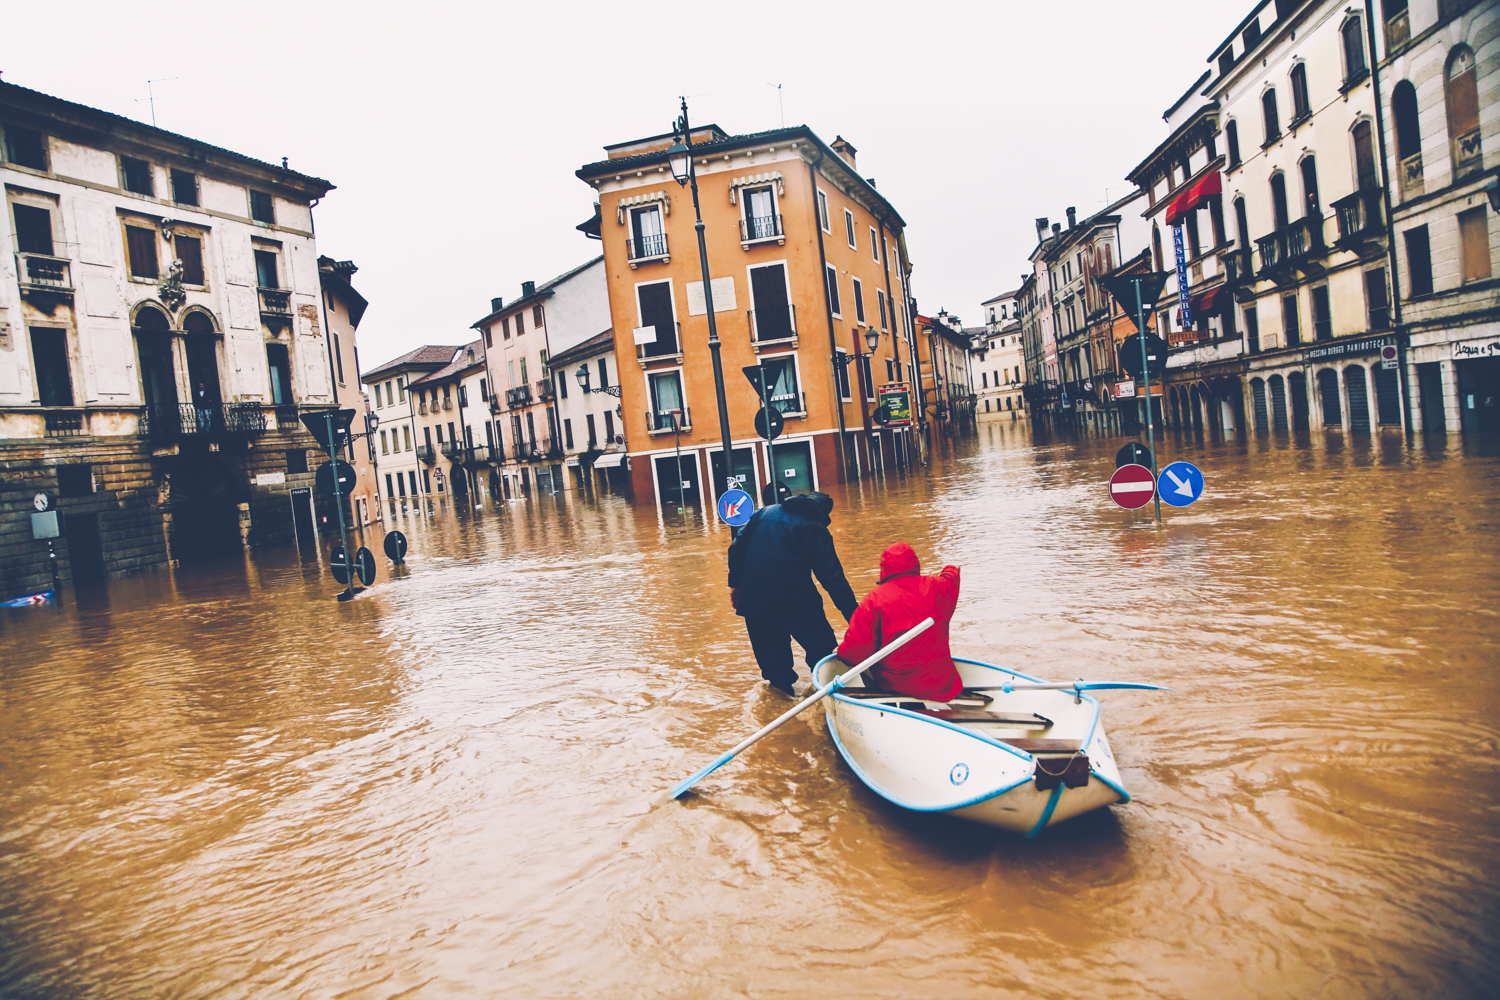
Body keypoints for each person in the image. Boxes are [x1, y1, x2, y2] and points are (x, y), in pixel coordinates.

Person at [727, 491, 858, 697]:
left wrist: (735, 586)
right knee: (823, 651)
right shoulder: (814, 527)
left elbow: (736, 549)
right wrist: (856, 620)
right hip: (796, 601)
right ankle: (823, 698)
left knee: (774, 668)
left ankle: (780, 705)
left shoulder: (764, 513)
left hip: (754, 601)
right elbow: (833, 579)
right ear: (820, 512)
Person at [837, 542, 963, 702]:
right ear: (915, 563)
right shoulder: (939, 587)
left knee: (863, 665)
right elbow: (952, 577)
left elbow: (853, 655)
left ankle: (880, 706)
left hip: (897, 686)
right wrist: (951, 568)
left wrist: (840, 653)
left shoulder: (873, 601)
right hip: (942, 684)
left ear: (884, 568)